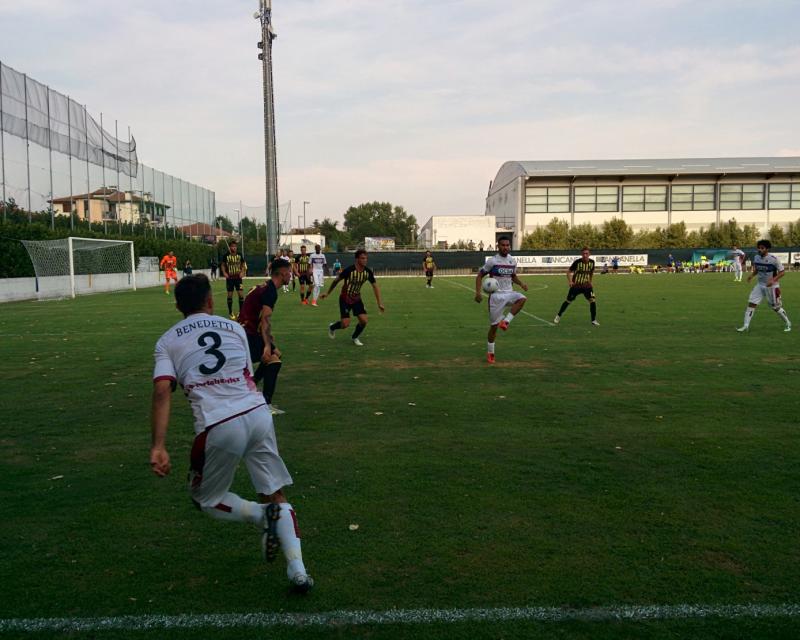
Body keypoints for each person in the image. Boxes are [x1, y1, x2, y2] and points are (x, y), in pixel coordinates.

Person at [149, 274, 313, 593]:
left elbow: (161, 391)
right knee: (274, 490)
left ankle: (263, 516)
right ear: (210, 301)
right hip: (257, 413)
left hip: (218, 424)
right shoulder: (233, 328)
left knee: (205, 499)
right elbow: (246, 374)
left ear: (178, 306)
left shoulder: (167, 341)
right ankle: (298, 571)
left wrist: (158, 445)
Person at [238, 258, 292, 415]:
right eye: (289, 272)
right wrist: (267, 345)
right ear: (282, 273)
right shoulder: (270, 291)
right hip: (248, 334)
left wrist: (268, 338)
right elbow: (265, 319)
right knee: (273, 359)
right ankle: (265, 404)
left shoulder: (264, 286)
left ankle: (252, 386)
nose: (291, 275)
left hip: (246, 331)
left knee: (276, 355)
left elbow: (258, 315)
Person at [474, 236, 528, 364]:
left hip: (509, 293)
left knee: (522, 298)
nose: (506, 247)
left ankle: (506, 322)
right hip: (496, 297)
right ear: (498, 246)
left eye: (507, 245)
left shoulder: (512, 261)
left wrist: (521, 284)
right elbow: (480, 276)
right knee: (493, 327)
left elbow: (513, 276)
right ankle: (490, 353)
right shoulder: (492, 261)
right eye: (503, 245)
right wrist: (478, 293)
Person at [321, 249, 385, 346]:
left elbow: (375, 286)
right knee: (345, 324)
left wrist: (379, 303)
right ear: (357, 259)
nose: (365, 260)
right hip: (345, 298)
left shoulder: (367, 272)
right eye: (362, 258)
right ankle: (332, 327)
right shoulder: (349, 270)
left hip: (356, 299)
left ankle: (355, 337)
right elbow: (336, 281)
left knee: (364, 321)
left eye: (366, 258)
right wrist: (327, 293)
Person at [737, 239, 791, 333]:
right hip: (760, 285)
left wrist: (773, 280)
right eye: (759, 248)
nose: (760, 250)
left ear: (767, 249)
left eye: (762, 248)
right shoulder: (756, 257)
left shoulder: (774, 259)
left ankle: (788, 323)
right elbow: (757, 269)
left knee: (775, 307)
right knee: (751, 303)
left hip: (772, 287)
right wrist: (751, 275)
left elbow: (782, 272)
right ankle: (745, 326)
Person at [553, 247, 599, 326]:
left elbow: (591, 272)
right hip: (576, 286)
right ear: (581, 254)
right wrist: (570, 281)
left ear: (589, 254)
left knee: (592, 301)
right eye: (583, 254)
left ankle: (593, 320)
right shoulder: (577, 262)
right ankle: (558, 316)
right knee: (568, 301)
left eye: (586, 253)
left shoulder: (592, 262)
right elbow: (568, 272)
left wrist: (590, 281)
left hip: (587, 286)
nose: (585, 255)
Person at [220, 240, 245, 320]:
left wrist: (242, 272)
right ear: (230, 247)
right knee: (230, 295)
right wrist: (224, 273)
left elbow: (243, 264)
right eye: (232, 246)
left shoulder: (239, 255)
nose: (234, 248)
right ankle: (230, 312)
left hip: (238, 278)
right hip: (230, 278)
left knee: (241, 295)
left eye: (235, 246)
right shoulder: (226, 255)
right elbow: (223, 265)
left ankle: (241, 312)